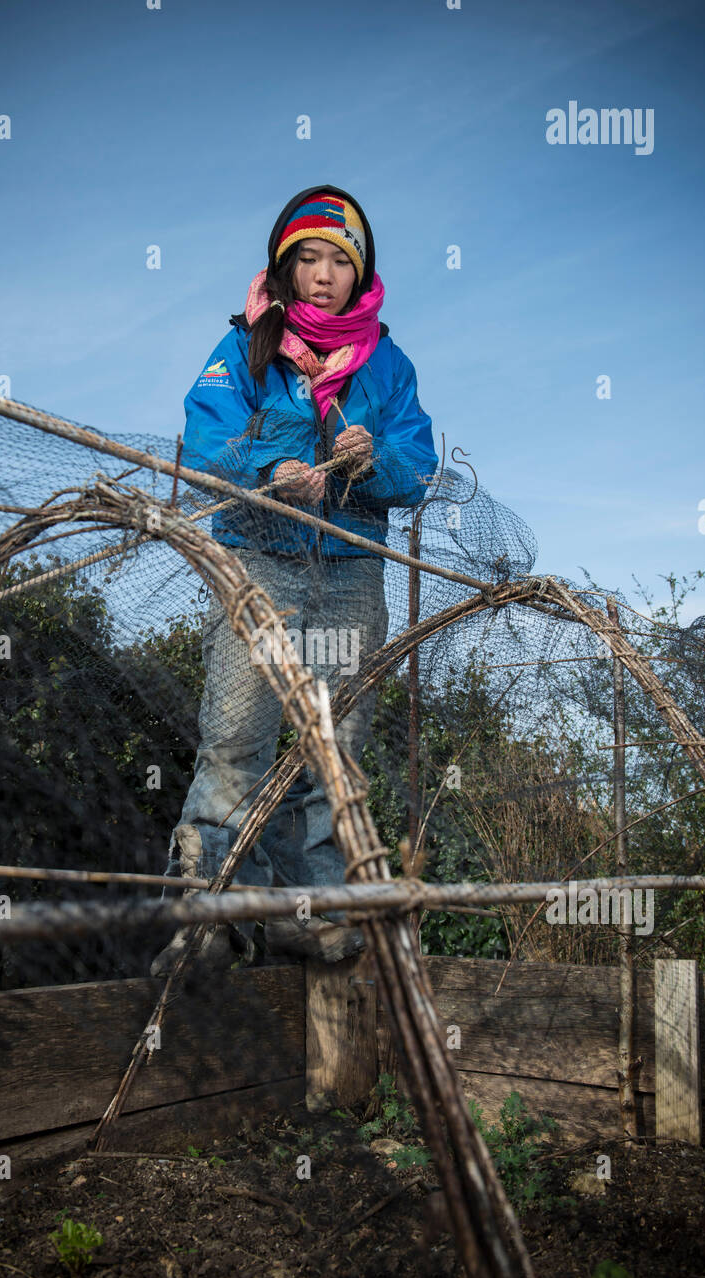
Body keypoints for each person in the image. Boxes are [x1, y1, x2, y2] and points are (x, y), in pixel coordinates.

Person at [151, 185, 438, 976]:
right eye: (305, 258)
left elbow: (418, 465)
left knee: (336, 747)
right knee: (239, 733)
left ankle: (315, 916)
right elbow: (206, 440)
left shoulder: (388, 363)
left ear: (360, 272)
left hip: (349, 572)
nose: (321, 274)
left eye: (338, 261)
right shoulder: (244, 345)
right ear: (283, 267)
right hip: (256, 561)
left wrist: (368, 459)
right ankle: (214, 912)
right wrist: (270, 466)